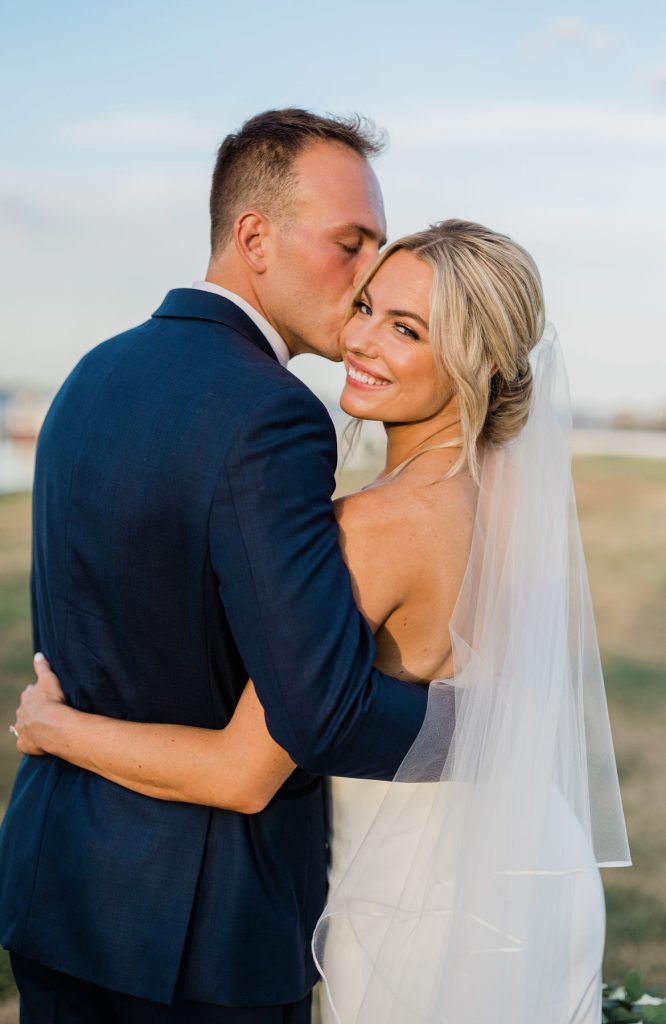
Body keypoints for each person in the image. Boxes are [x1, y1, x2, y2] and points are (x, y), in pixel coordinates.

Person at [12, 220, 631, 1023]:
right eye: (368, 305)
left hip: (421, 895)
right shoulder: (506, 492)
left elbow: (241, 772)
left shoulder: (376, 527)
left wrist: (55, 728)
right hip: (539, 864)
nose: (361, 339)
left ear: (476, 360)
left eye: (406, 329)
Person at [0, 108, 436, 1024]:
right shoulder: (271, 414)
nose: (369, 281)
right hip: (201, 937)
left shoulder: (90, 374)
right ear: (255, 238)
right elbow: (320, 714)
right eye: (350, 245)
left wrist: (59, 727)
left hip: (56, 885)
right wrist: (485, 730)